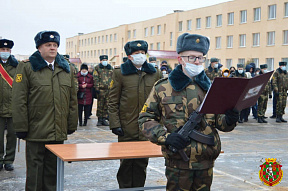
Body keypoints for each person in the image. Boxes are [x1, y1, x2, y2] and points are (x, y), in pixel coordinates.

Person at [138, 33, 239, 191]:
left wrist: (230, 118)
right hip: (177, 164)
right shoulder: (163, 87)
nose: (197, 62)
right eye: (192, 57)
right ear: (180, 59)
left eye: (201, 58)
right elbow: (145, 118)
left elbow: (221, 123)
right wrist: (166, 137)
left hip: (206, 163)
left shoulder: (212, 88)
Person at [12, 31, 78, 191]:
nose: (53, 48)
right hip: (36, 131)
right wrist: (21, 127)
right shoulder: (27, 67)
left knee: (53, 173)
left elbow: (72, 100)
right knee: (35, 174)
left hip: (58, 132)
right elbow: (19, 100)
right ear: (39, 48)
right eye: (48, 45)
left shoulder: (66, 69)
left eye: (55, 45)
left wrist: (71, 124)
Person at [108, 40, 160, 189]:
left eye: (143, 53)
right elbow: (112, 101)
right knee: (126, 162)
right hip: (126, 127)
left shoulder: (154, 73)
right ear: (130, 56)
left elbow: (159, 100)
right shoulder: (120, 73)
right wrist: (115, 124)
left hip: (147, 127)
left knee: (141, 163)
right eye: (137, 53)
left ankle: (139, 188)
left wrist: (159, 124)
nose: (140, 56)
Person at [0, 39, 18, 171]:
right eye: (2, 50)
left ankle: (9, 160)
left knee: (12, 136)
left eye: (7, 50)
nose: (5, 52)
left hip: (13, 107)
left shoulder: (17, 66)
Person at [93, 55, 113, 126]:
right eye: (103, 60)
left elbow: (113, 78)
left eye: (106, 59)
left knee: (107, 105)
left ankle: (104, 118)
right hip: (101, 89)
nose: (104, 61)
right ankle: (99, 119)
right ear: (100, 61)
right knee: (100, 105)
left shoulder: (110, 68)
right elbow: (95, 78)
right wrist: (97, 88)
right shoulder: (97, 68)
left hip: (108, 89)